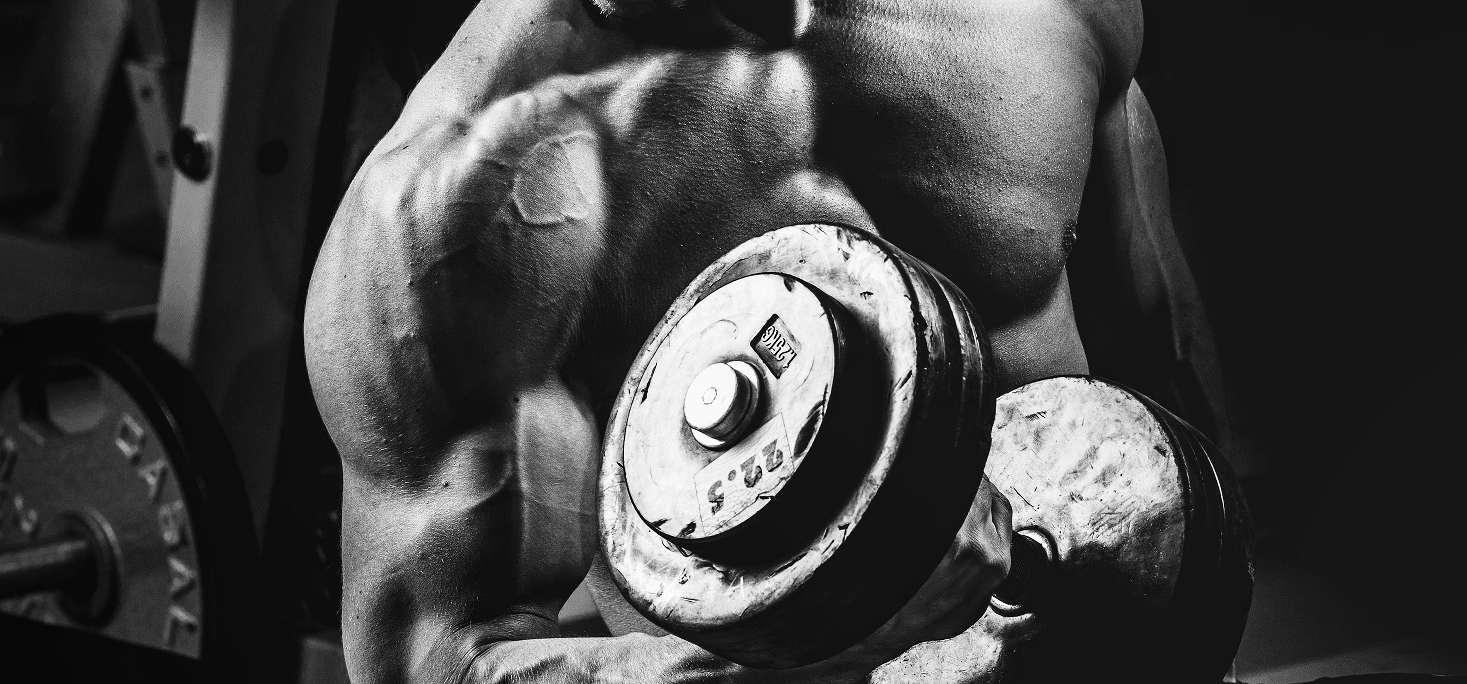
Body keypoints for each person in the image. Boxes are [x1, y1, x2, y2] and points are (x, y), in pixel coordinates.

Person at [304, 0, 1228, 681]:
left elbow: (1156, 357)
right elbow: (440, 661)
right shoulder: (460, 211)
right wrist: (826, 653)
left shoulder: (1054, 14)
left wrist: (1205, 631)